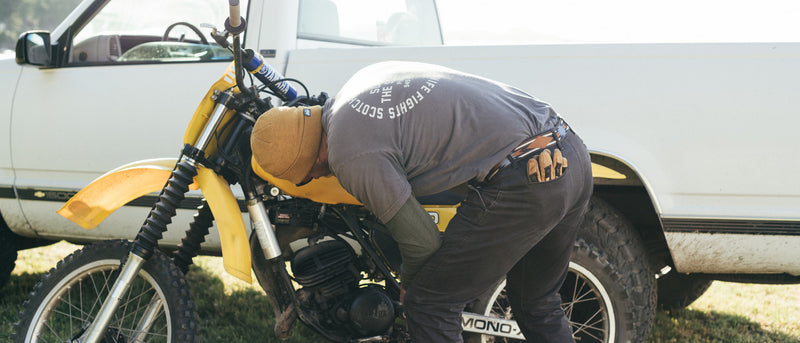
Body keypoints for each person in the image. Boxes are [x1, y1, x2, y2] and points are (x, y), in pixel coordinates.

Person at [251, 61, 592, 342]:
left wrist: (409, 286)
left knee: (429, 305)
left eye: (309, 177)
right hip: (569, 153)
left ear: (310, 164)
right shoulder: (358, 83)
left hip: (523, 177)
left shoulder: (350, 156)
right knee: (536, 303)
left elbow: (421, 242)